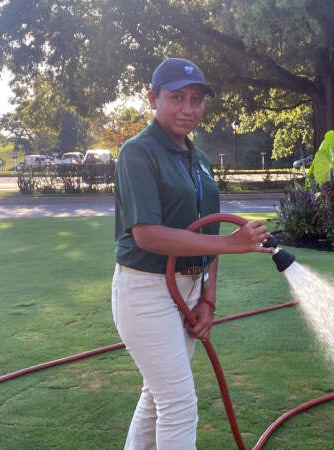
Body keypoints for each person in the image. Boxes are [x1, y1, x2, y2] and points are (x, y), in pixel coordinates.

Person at [111, 57, 272, 449]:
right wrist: (231, 246)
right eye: (177, 97)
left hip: (190, 289)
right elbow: (147, 235)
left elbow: (208, 227)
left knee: (157, 396)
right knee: (178, 403)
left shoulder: (197, 158)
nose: (188, 109)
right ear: (153, 98)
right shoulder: (138, 152)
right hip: (146, 291)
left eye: (197, 99)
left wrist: (208, 299)